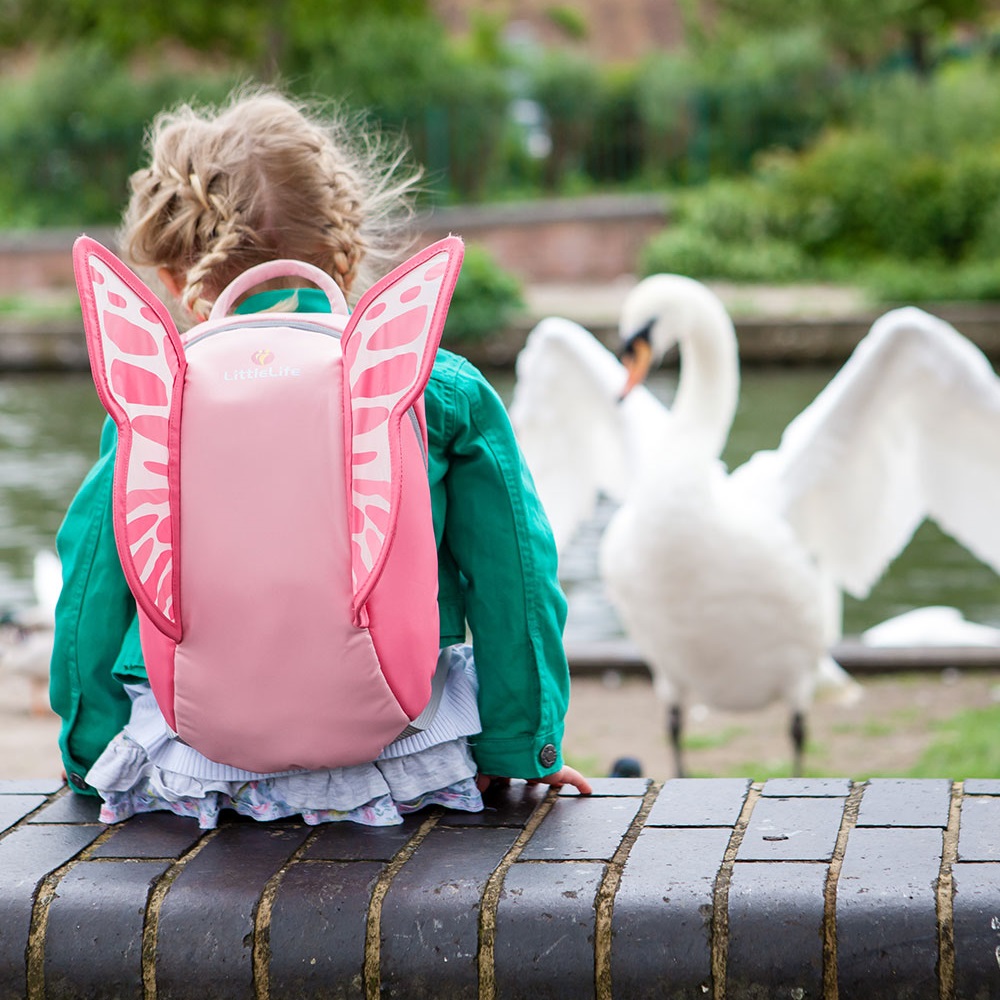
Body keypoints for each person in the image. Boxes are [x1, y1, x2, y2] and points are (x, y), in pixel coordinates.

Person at [50, 87, 591, 829]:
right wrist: (522, 742)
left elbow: (92, 579)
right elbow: (516, 575)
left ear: (176, 282)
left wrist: (91, 753)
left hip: (196, 757)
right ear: (349, 248)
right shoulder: (429, 385)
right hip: (400, 750)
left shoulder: (159, 399)